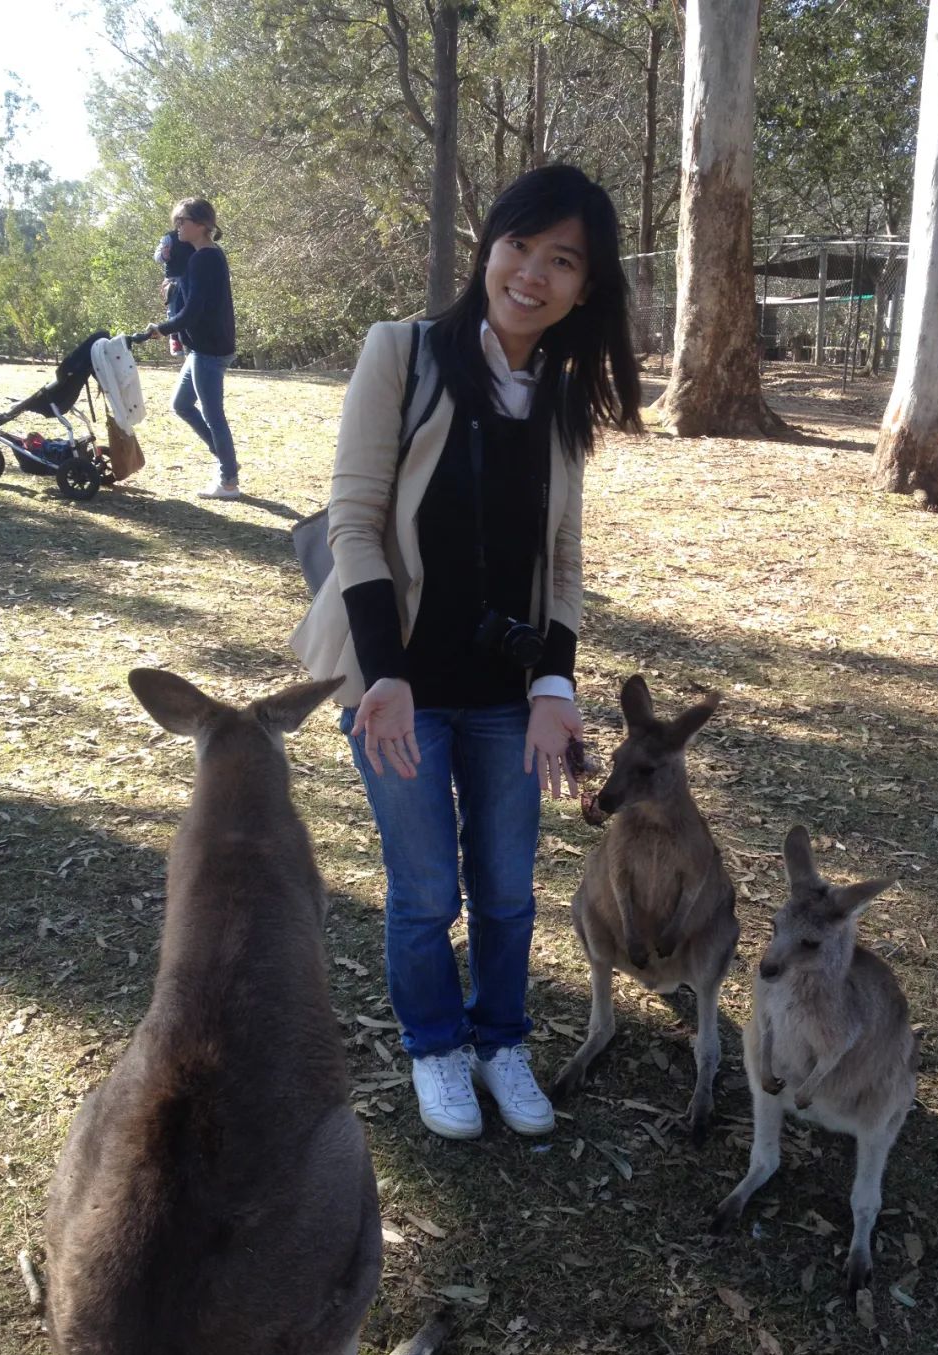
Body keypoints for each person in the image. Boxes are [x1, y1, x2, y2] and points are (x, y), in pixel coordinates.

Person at [324, 164, 642, 1141]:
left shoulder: (560, 396)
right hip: (397, 686)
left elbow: (563, 560)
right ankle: (437, 1045)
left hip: (508, 693)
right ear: (487, 247)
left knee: (506, 886)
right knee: (426, 889)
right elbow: (355, 521)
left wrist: (555, 682)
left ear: (586, 288)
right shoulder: (403, 354)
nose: (533, 274)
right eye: (520, 245)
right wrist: (384, 673)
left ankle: (500, 1037)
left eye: (562, 261)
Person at [145, 198, 241, 500]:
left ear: (201, 224)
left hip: (209, 350)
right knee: (181, 404)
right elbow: (191, 294)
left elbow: (192, 312)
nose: (178, 227)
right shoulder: (206, 255)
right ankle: (226, 462)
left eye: (182, 221)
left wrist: (162, 329)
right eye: (177, 221)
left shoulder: (204, 259)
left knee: (214, 416)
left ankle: (229, 482)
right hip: (204, 348)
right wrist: (173, 283)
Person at [153, 228, 194, 356]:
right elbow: (157, 256)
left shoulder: (198, 235)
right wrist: (164, 255)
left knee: (193, 308)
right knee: (174, 309)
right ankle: (175, 339)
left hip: (193, 276)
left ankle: (192, 339)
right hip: (174, 278)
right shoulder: (169, 238)